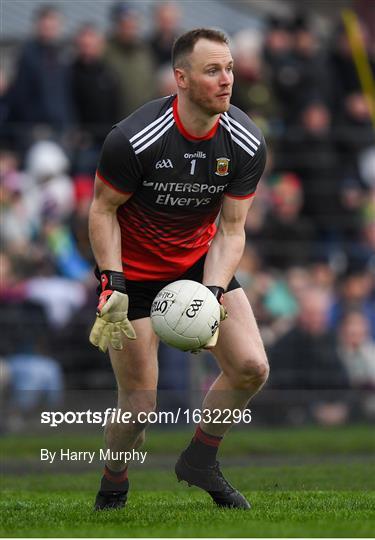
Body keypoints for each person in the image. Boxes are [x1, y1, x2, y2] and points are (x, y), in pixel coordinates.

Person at [88, 28, 269, 511]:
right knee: (140, 405)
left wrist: (210, 294)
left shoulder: (246, 141)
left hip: (197, 266)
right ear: (181, 79)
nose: (227, 80)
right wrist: (112, 283)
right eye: (213, 70)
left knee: (252, 367)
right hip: (134, 277)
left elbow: (232, 230)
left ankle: (200, 461)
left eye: (229, 68)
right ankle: (114, 482)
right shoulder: (133, 139)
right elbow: (102, 211)